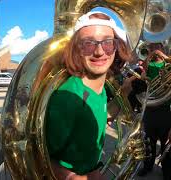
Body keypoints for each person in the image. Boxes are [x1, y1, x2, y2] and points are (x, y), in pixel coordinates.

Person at [45, 11, 132, 180]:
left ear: (116, 47)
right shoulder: (68, 98)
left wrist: (125, 93)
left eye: (107, 43)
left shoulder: (101, 88)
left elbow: (99, 115)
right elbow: (40, 155)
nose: (99, 52)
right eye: (88, 44)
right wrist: (72, 177)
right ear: (77, 50)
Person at [136, 43, 171, 180]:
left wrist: (163, 56)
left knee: (166, 144)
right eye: (152, 47)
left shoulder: (168, 63)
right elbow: (143, 67)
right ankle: (147, 166)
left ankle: (167, 170)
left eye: (157, 47)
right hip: (150, 108)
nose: (155, 50)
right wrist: (150, 55)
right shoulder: (149, 65)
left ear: (162, 48)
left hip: (165, 109)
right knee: (148, 142)